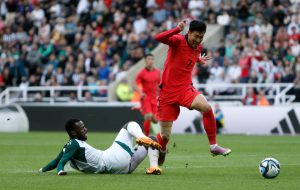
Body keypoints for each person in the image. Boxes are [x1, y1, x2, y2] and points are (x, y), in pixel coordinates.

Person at [154, 20, 231, 166]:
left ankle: (213, 146)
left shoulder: (198, 47)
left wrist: (198, 60)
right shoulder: (177, 40)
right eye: (196, 36)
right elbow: (158, 38)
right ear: (188, 33)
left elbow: (188, 56)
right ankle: (162, 149)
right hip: (167, 93)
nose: (198, 40)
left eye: (201, 37)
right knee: (164, 136)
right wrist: (176, 29)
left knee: (207, 108)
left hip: (185, 89)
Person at [39, 119, 162, 175]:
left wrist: (43, 169)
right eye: (82, 128)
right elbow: (61, 162)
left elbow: (57, 161)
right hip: (113, 158)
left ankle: (154, 167)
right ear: (73, 133)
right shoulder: (74, 144)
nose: (85, 129)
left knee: (152, 139)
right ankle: (140, 136)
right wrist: (60, 171)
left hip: (123, 169)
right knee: (129, 125)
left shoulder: (69, 147)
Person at [134, 53, 161, 136]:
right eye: (148, 59)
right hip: (145, 98)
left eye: (152, 59)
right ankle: (146, 137)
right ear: (145, 61)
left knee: (155, 120)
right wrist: (140, 92)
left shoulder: (157, 72)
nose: (150, 61)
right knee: (148, 116)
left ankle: (139, 108)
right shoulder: (142, 73)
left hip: (154, 98)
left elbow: (160, 84)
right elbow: (135, 83)